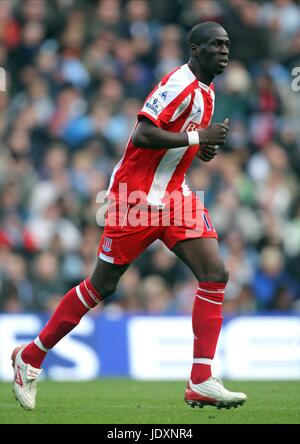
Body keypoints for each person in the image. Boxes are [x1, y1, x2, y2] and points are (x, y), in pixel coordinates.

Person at [12, 22, 247, 411]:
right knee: (100, 287)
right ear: (194, 49)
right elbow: (141, 134)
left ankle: (201, 379)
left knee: (215, 274)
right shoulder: (178, 84)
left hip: (174, 195)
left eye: (227, 45)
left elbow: (182, 140)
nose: (224, 51)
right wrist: (196, 139)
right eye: (215, 45)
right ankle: (31, 357)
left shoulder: (208, 91)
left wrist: (200, 148)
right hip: (133, 199)